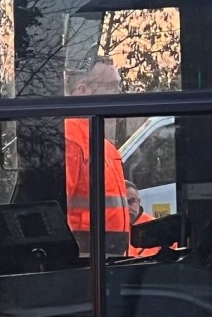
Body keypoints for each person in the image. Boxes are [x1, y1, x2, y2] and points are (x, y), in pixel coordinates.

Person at [64, 58, 130, 257]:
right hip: (86, 256)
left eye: (119, 85)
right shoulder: (71, 139)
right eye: (111, 86)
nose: (118, 93)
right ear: (82, 90)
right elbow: (58, 205)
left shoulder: (104, 145)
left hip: (107, 254)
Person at [126, 181, 160, 257]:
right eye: (123, 203)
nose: (127, 207)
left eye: (131, 201)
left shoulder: (156, 226)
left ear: (139, 201)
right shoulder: (115, 230)